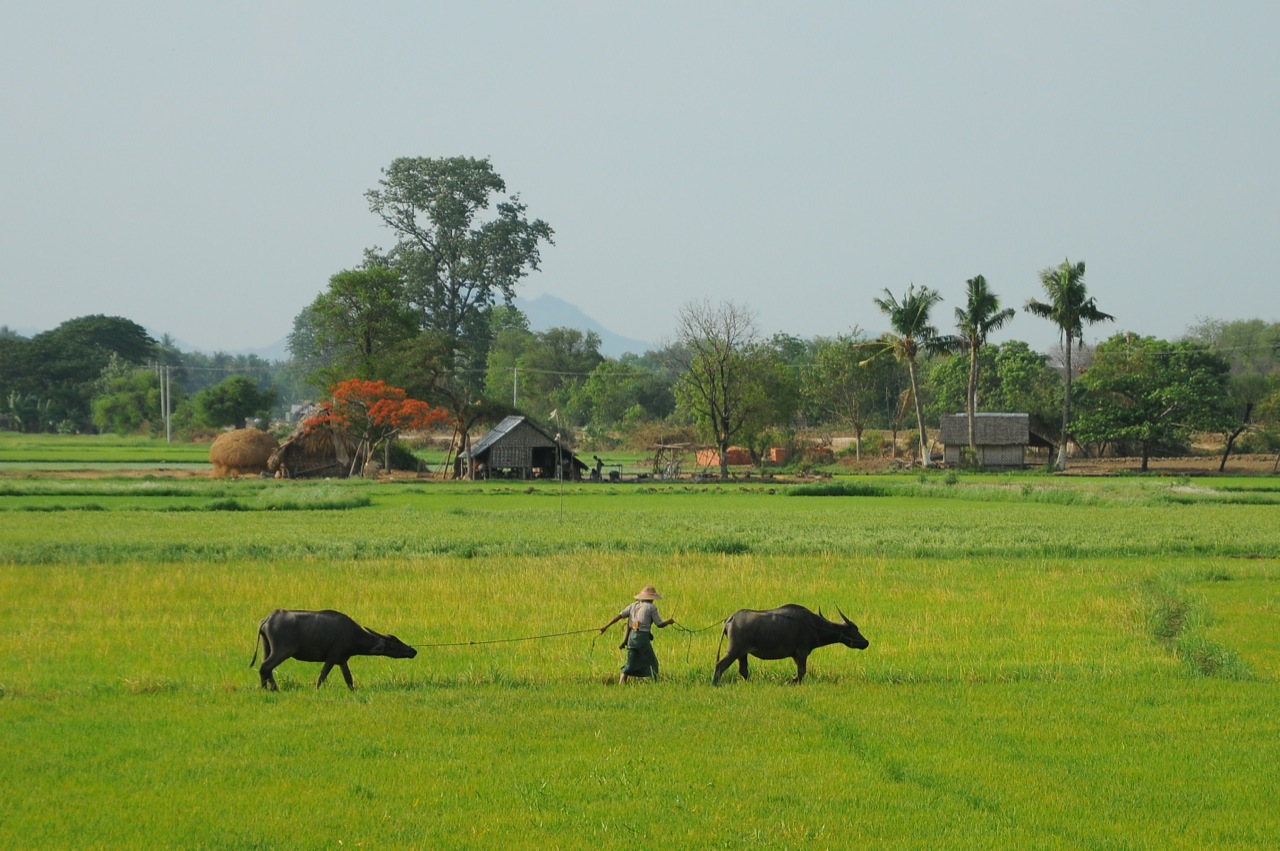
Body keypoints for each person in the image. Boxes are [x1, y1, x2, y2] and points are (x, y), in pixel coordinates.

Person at [599, 585, 673, 683]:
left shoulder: (633, 606)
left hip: (632, 638)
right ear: (652, 598)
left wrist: (605, 627)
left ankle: (621, 683)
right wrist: (669, 622)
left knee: (630, 664)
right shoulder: (651, 607)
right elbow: (659, 624)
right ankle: (656, 683)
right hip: (642, 638)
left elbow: (620, 617)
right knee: (652, 662)